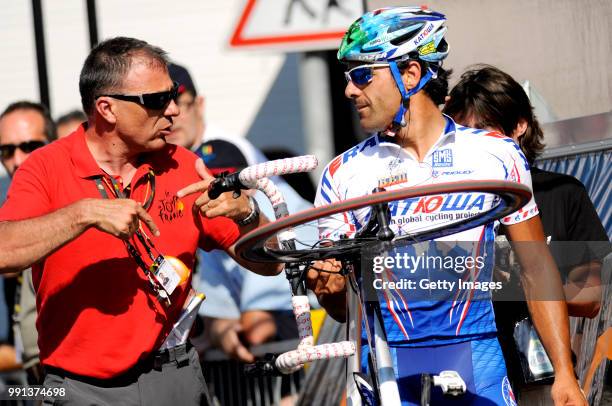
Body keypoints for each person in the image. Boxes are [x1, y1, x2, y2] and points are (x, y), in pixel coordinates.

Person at [306, 6, 585, 406]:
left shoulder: (494, 155)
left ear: (411, 74)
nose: (350, 89)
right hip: (389, 367)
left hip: (477, 357)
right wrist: (328, 288)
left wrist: (564, 375)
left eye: (363, 73)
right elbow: (340, 309)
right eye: (347, 77)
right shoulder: (343, 174)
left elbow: (536, 264)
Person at [0, 37, 280, 406]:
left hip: (175, 375)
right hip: (80, 389)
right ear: (107, 109)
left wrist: (246, 214)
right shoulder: (45, 167)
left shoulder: (184, 165)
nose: (173, 111)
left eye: (173, 95)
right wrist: (83, 213)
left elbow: (272, 263)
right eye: (156, 100)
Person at [443, 64, 609, 404]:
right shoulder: (442, 208)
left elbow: (591, 296)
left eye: (485, 129)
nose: (474, 143)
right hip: (465, 378)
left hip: (545, 381)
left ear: (520, 126)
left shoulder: (561, 193)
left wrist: (523, 283)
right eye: (463, 132)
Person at [166, 62, 312, 362]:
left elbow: (260, 324)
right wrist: (221, 330)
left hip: (310, 326)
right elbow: (220, 312)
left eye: (181, 103)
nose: (175, 115)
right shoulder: (189, 170)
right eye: (165, 106)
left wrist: (231, 329)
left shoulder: (235, 154)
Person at [0, 101, 56, 385]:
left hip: (76, 378)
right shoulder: (9, 205)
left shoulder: (72, 206)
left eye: (30, 146)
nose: (18, 160)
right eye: (7, 151)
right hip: (36, 377)